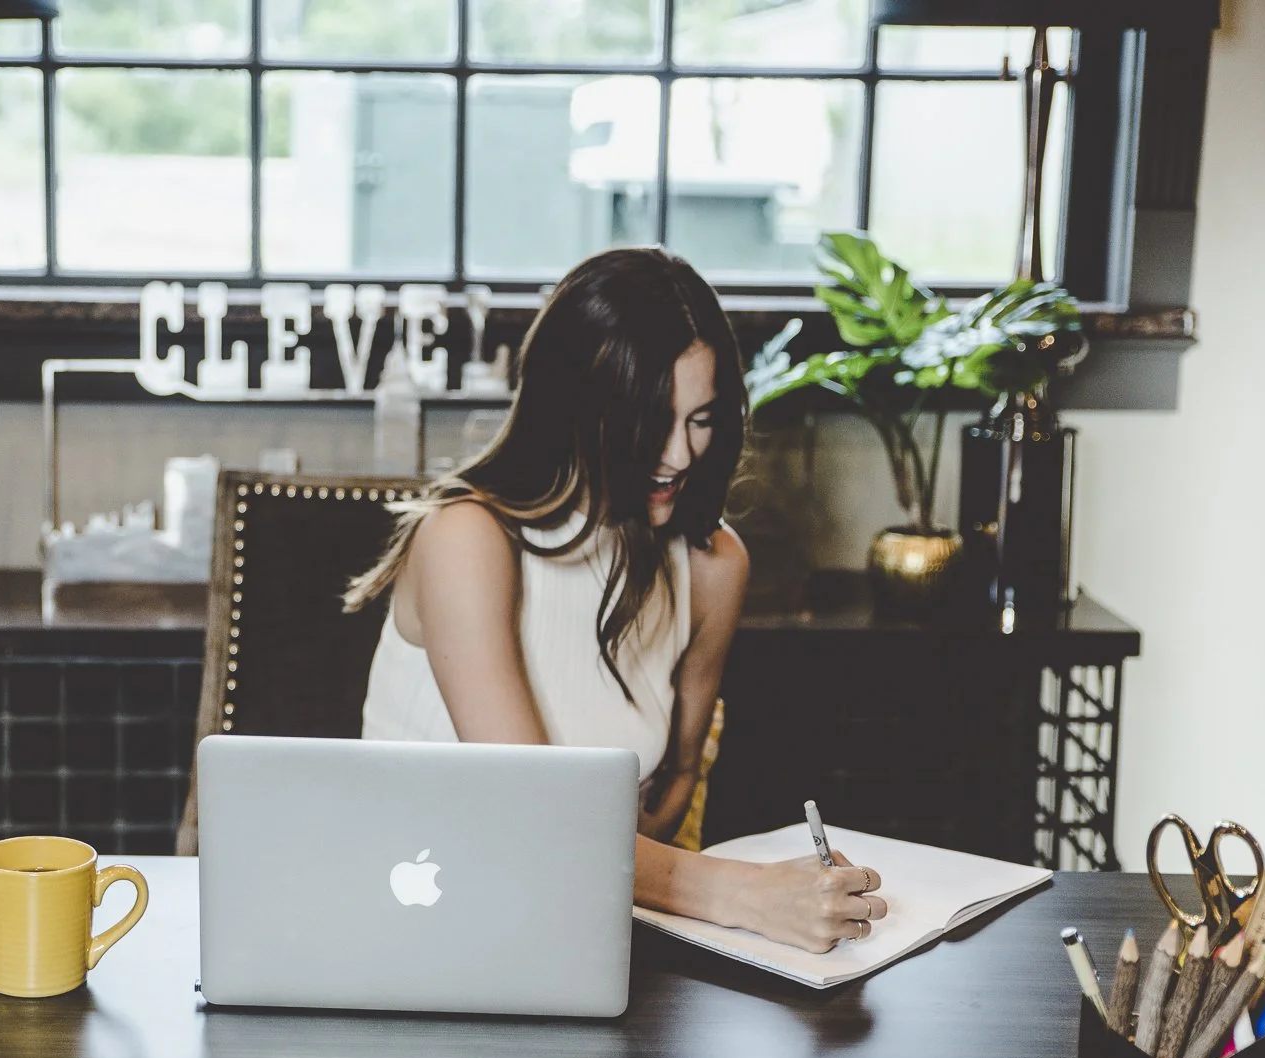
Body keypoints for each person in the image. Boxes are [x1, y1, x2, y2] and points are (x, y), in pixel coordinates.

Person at [347, 247, 887, 954]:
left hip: (581, 935)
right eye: (650, 421)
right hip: (416, 933)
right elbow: (532, 806)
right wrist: (746, 893)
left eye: (701, 419)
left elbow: (671, 793)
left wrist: (782, 892)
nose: (681, 455)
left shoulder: (713, 567)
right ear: (570, 412)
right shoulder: (467, 539)